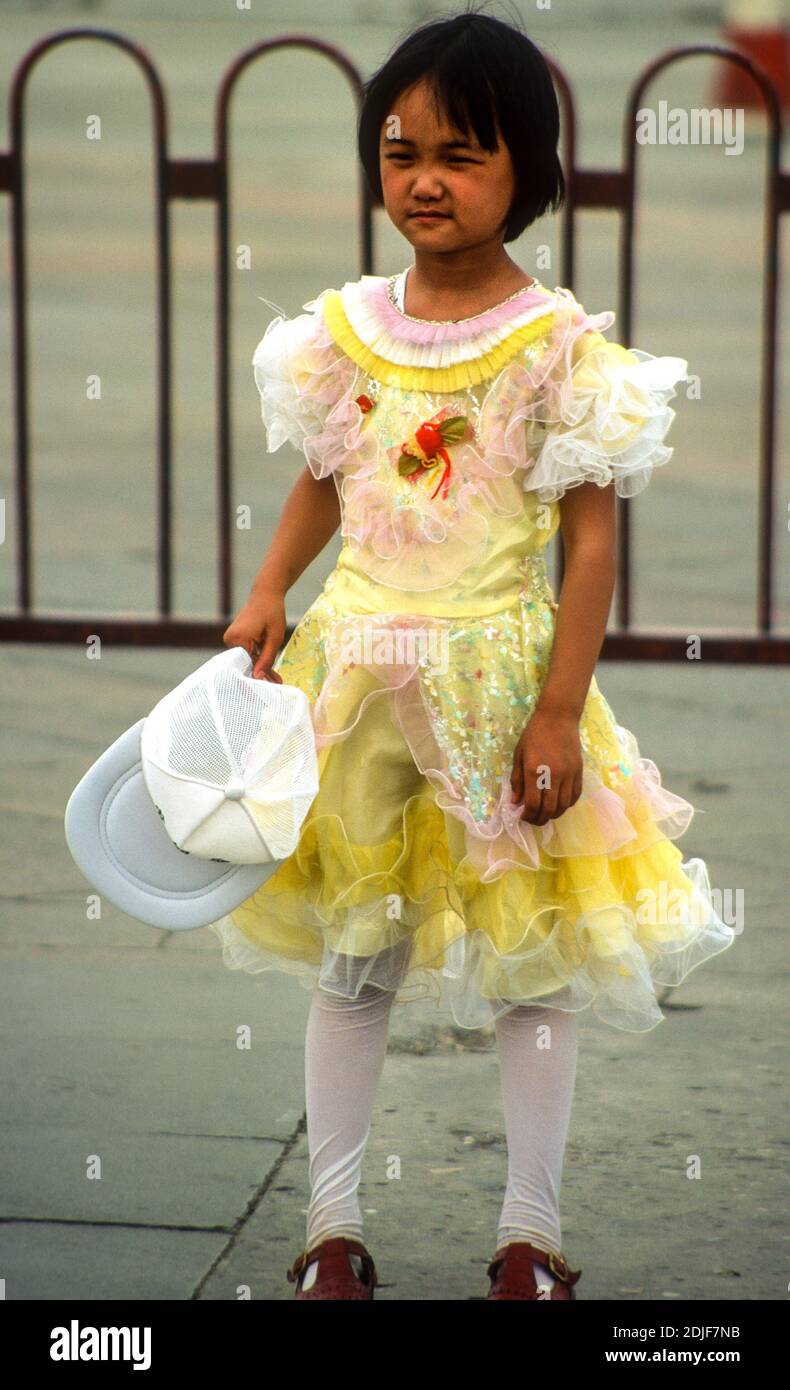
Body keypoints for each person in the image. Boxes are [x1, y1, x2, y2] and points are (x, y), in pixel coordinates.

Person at [212, 8, 737, 1300]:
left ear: (528, 173)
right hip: (355, 685)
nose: (424, 181)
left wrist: (558, 710)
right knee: (351, 960)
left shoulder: (558, 348)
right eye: (399, 154)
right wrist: (269, 587)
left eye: (460, 154)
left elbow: (591, 548)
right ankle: (329, 1227)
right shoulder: (347, 328)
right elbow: (329, 480)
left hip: (499, 688)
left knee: (531, 965)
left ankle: (529, 1235)